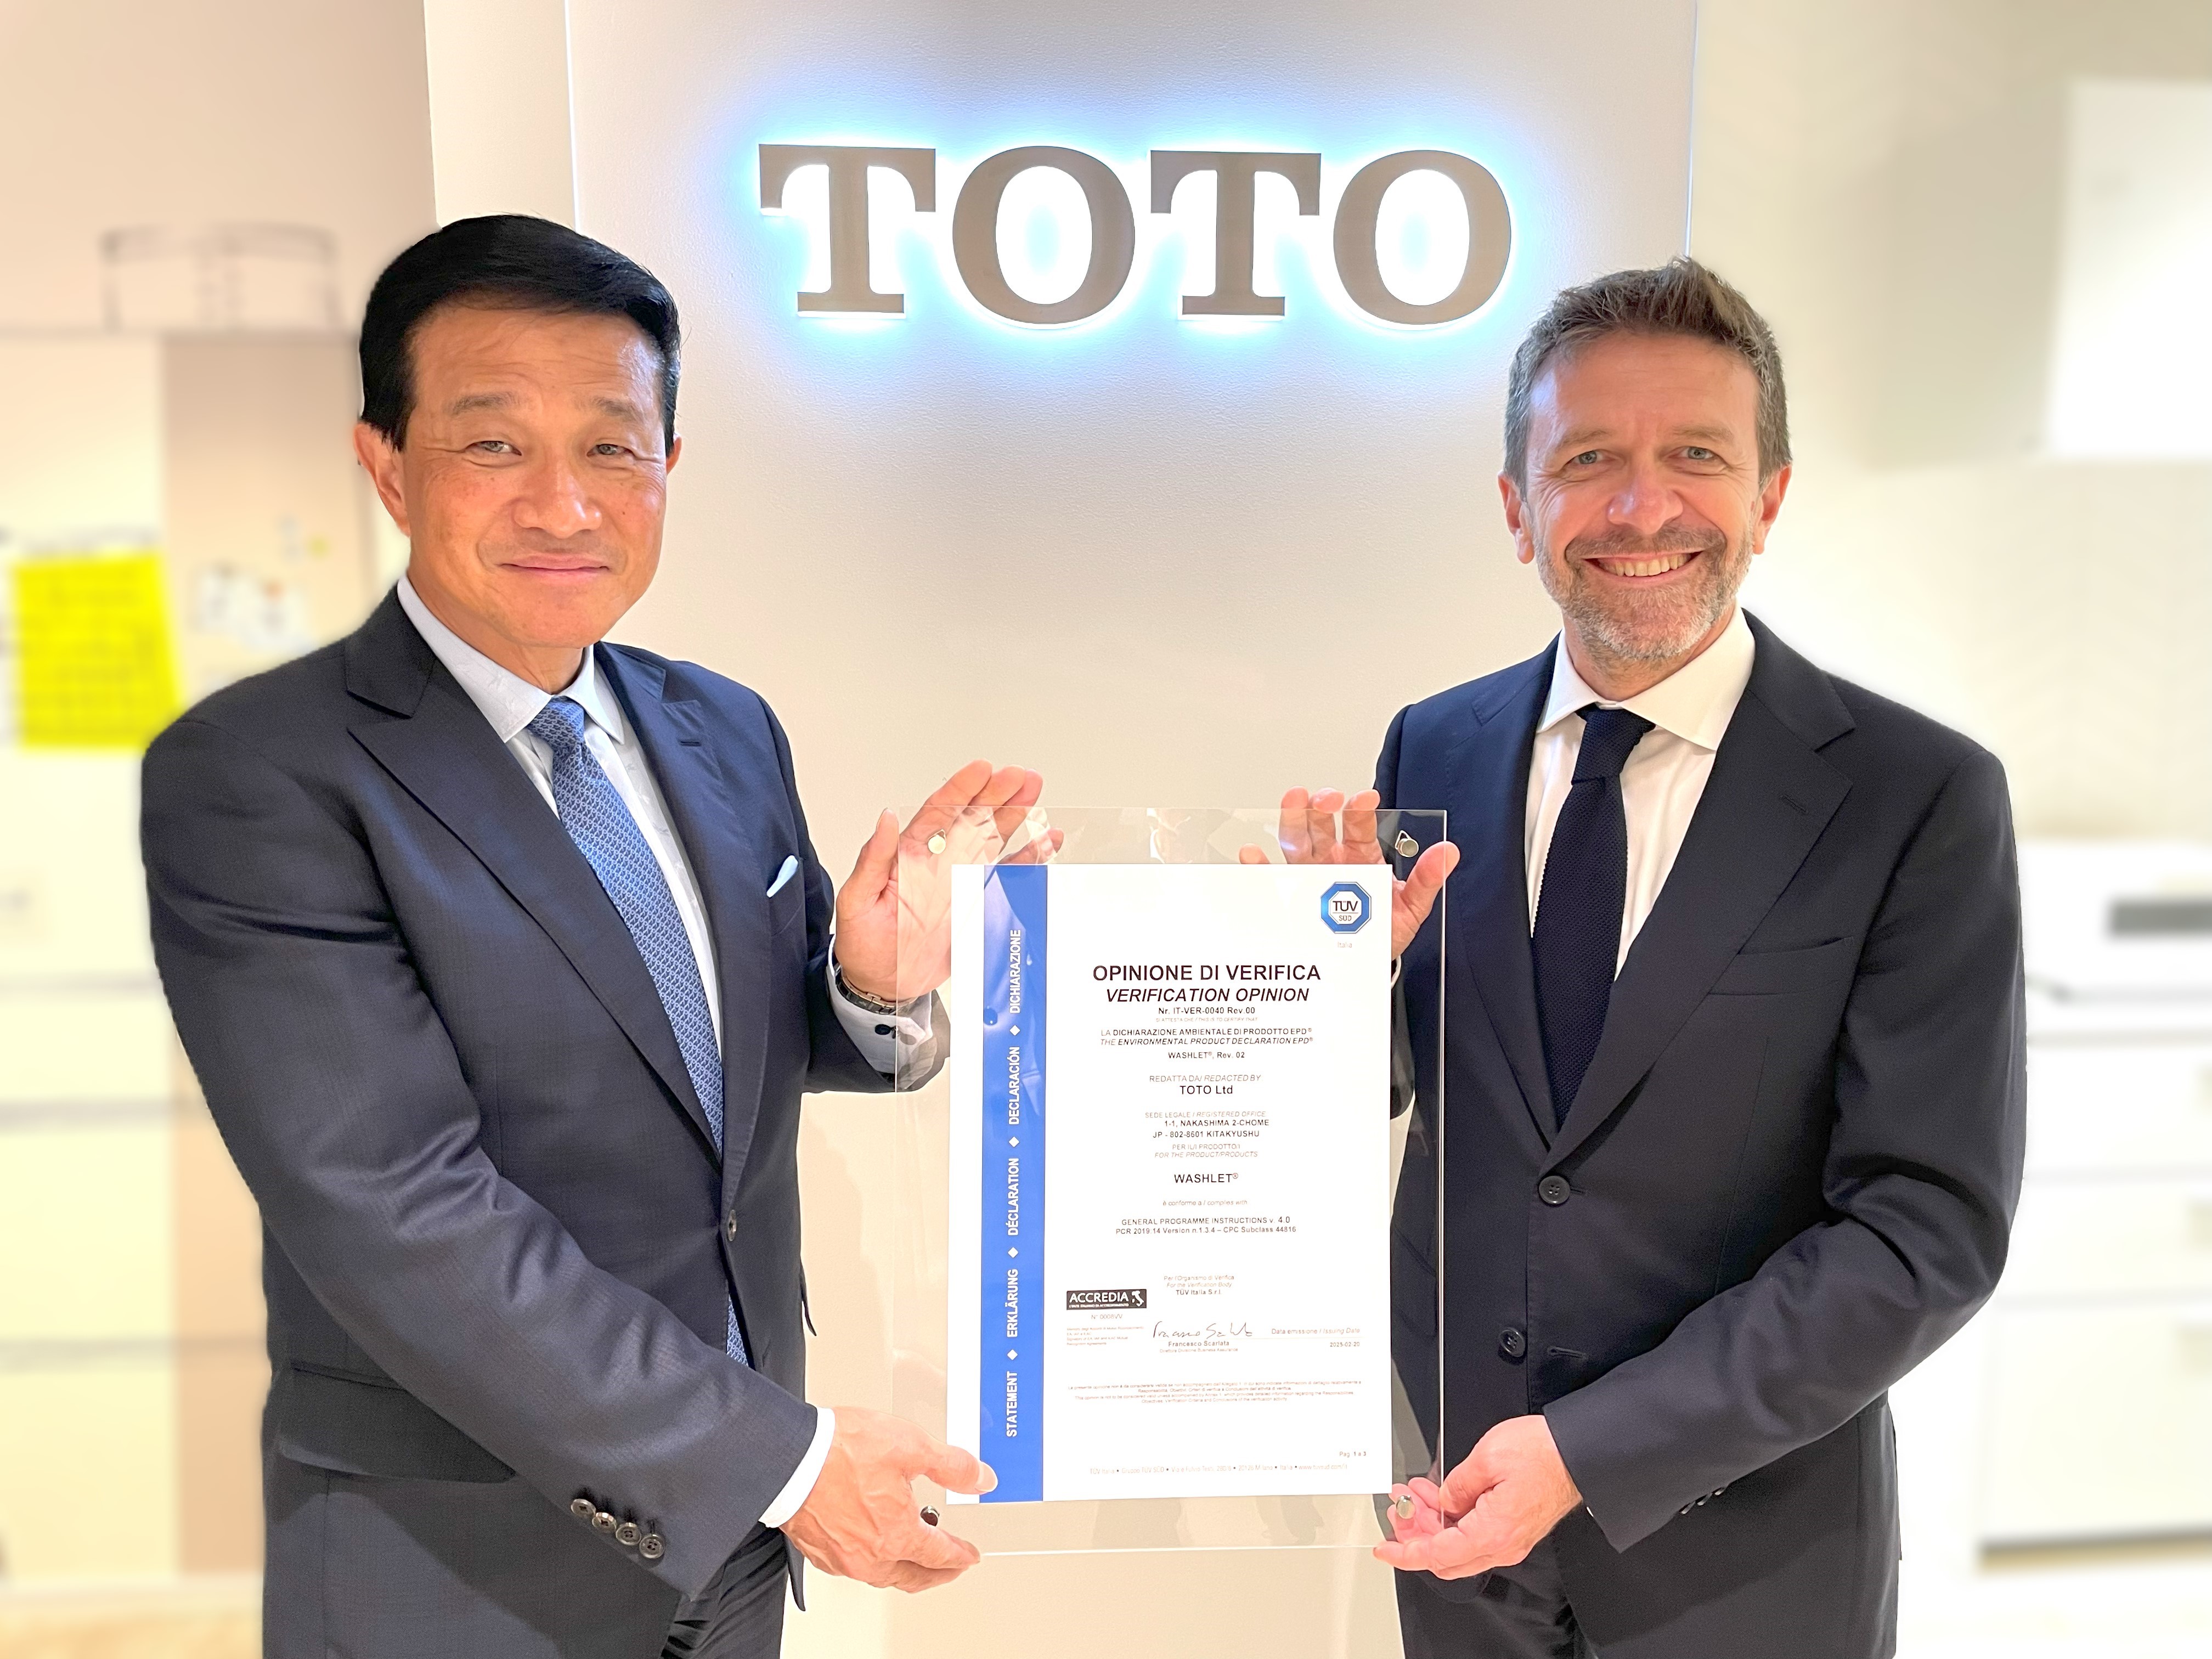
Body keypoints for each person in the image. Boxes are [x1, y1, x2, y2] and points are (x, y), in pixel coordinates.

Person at [142, 215, 1034, 1659]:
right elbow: (391, 1205)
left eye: (613, 447)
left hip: (730, 1557)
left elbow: (711, 1057)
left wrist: (869, 988)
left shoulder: (721, 727)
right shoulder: (262, 773)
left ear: (670, 464)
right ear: (387, 463)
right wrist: (786, 1462)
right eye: (494, 443)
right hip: (459, 1564)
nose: (563, 505)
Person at [1288, 259, 2024, 1656]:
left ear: (1770, 498)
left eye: (1696, 455)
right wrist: (1313, 988)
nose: (1642, 507)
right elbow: (1404, 1089)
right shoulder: (1431, 749)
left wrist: (1592, 1449)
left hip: (1744, 1563)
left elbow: (1924, 1232)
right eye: (1588, 460)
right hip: (1453, 1536)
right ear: (1518, 507)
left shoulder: (1914, 796)